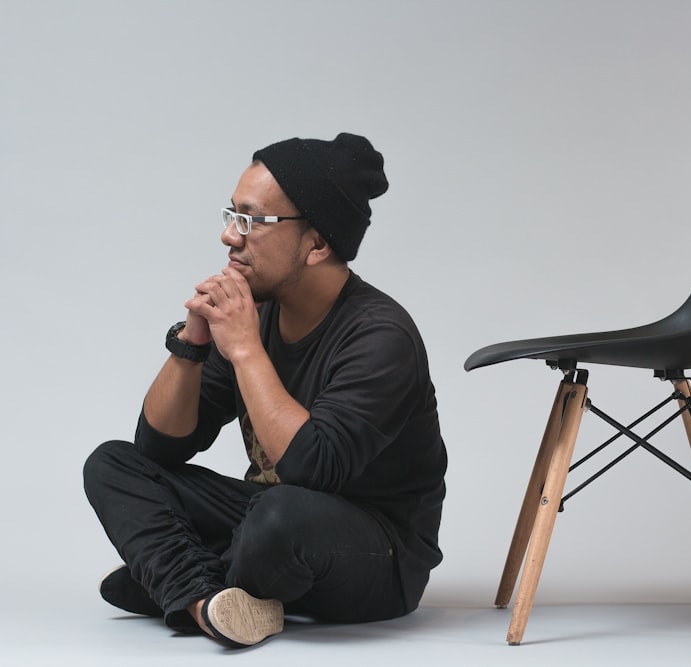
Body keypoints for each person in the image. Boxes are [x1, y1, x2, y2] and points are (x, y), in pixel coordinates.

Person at [83, 134, 447, 648]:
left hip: (378, 557)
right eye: (231, 215)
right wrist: (192, 343)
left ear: (317, 243)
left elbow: (312, 469)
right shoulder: (256, 315)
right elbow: (158, 449)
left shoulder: (381, 336)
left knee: (280, 516)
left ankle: (176, 577)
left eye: (252, 221)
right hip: (266, 524)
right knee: (112, 465)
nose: (231, 237)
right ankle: (208, 601)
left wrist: (247, 352)